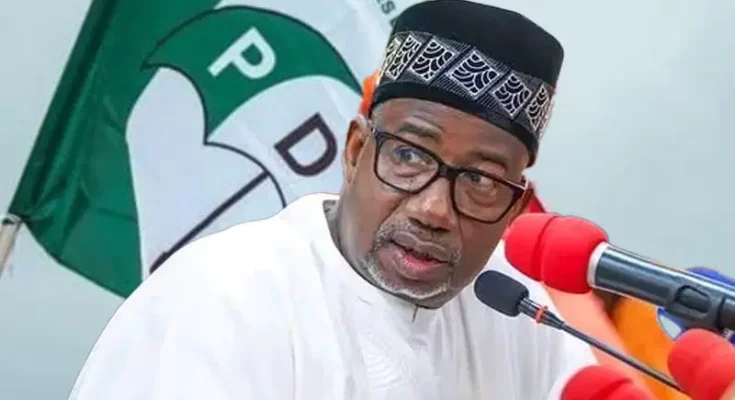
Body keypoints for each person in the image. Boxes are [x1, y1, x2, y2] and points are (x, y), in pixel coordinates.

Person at [69, 1, 596, 399]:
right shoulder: (224, 297)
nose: (434, 210)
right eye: (409, 156)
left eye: (480, 181)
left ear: (513, 208)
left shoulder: (514, 312)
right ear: (356, 150)